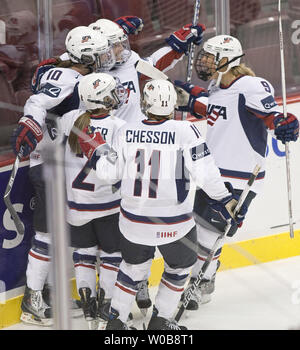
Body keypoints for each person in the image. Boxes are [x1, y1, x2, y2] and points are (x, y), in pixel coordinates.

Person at [76, 79, 248, 330]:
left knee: (132, 269)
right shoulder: (186, 131)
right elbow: (206, 174)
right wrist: (224, 198)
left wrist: (97, 150)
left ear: (145, 104)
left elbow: (108, 174)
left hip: (133, 220)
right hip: (174, 222)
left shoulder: (126, 130)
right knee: (179, 268)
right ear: (172, 105)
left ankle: (116, 322)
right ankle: (161, 320)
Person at [174, 34, 299, 310]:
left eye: (210, 56)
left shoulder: (250, 85)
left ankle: (200, 285)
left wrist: (284, 122)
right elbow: (213, 109)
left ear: (228, 61)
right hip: (214, 174)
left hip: (241, 177)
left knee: (207, 234)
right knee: (199, 229)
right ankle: (204, 281)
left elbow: (270, 116)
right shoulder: (217, 87)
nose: (204, 61)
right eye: (204, 55)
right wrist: (188, 98)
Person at [11, 26, 115, 326]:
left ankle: (46, 293)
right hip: (52, 165)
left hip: (60, 165)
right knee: (46, 236)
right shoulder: (70, 77)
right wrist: (30, 122)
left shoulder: (62, 68)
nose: (104, 57)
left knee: (61, 235)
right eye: (99, 54)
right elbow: (38, 102)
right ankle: (32, 302)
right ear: (83, 57)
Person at [59, 72, 127, 329]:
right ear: (103, 98)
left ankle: (87, 304)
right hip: (108, 205)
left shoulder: (69, 120)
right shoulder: (120, 127)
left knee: (84, 255)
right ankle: (106, 303)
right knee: (112, 255)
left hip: (76, 206)